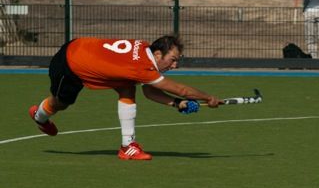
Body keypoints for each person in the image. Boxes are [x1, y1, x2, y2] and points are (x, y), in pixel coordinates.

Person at [29, 35, 222, 160]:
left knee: (128, 88)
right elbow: (182, 90)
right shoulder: (141, 68)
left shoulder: (144, 50)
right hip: (70, 63)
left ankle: (127, 146)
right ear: (157, 54)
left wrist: (177, 103)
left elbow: (149, 91)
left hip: (84, 51)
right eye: (173, 60)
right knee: (60, 103)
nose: (175, 66)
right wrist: (208, 98)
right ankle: (40, 116)